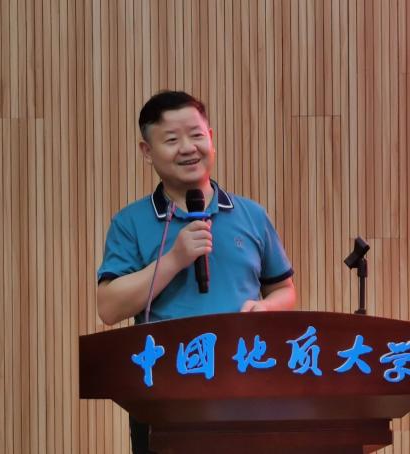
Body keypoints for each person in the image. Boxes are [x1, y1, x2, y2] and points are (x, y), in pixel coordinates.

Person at [96, 90, 296, 453]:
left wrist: (266, 308)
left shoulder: (252, 215)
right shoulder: (130, 222)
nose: (188, 148)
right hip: (164, 393)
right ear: (147, 152)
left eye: (196, 135)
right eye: (172, 139)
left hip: (246, 385)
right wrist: (173, 259)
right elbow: (109, 308)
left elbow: (283, 289)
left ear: (211, 139)